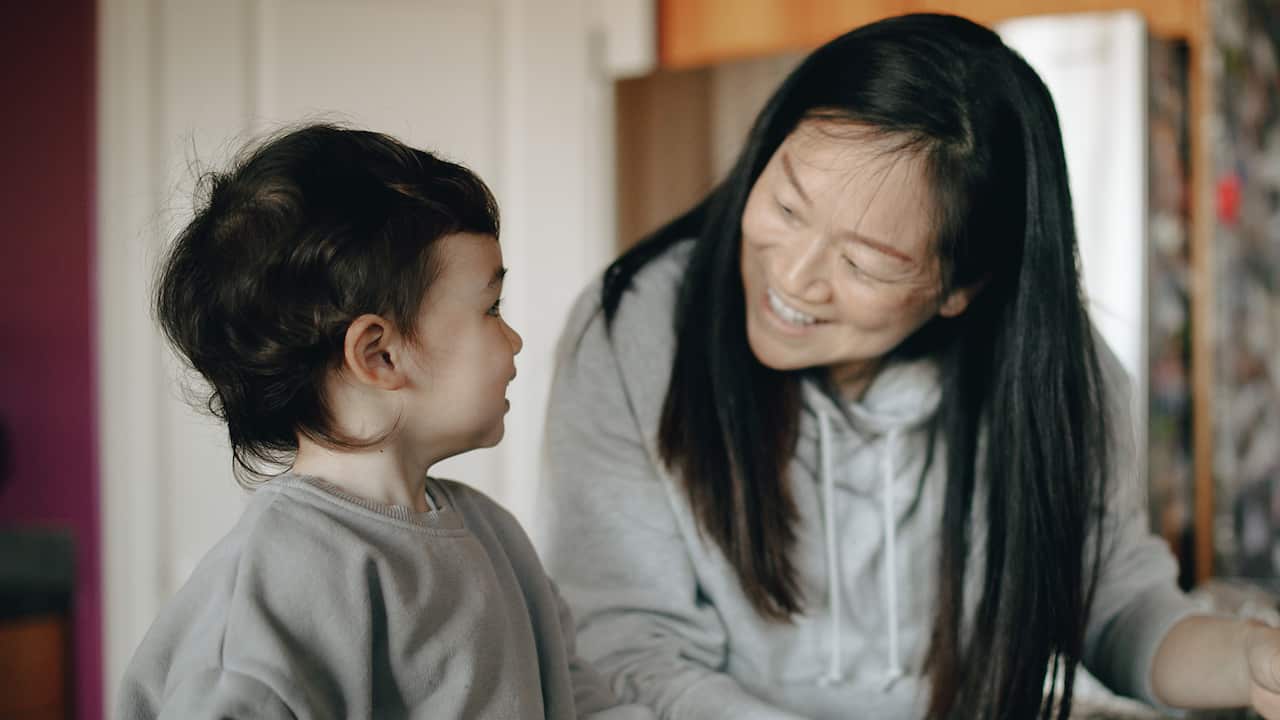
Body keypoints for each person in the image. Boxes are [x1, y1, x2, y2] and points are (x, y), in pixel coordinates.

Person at [542, 13, 1280, 720]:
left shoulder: (1054, 374)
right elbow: (627, 650)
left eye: (864, 263)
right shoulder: (636, 334)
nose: (794, 278)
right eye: (789, 206)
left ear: (962, 288)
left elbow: (1115, 604)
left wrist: (1252, 658)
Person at [118, 124, 653, 719]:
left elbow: (581, 702)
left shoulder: (495, 536)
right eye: (491, 308)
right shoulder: (280, 580)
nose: (515, 338)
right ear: (380, 354)